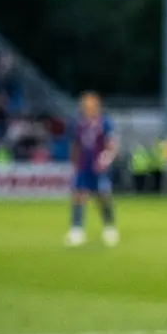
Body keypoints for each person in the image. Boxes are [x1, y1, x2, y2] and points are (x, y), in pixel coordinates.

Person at [65, 91, 119, 247]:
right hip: (83, 165)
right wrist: (74, 164)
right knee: (78, 195)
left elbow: (112, 145)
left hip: (98, 167)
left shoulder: (105, 123)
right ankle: (76, 230)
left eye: (91, 105)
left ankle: (109, 228)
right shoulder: (78, 124)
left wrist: (105, 159)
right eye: (85, 105)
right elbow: (75, 146)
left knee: (102, 197)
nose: (88, 108)